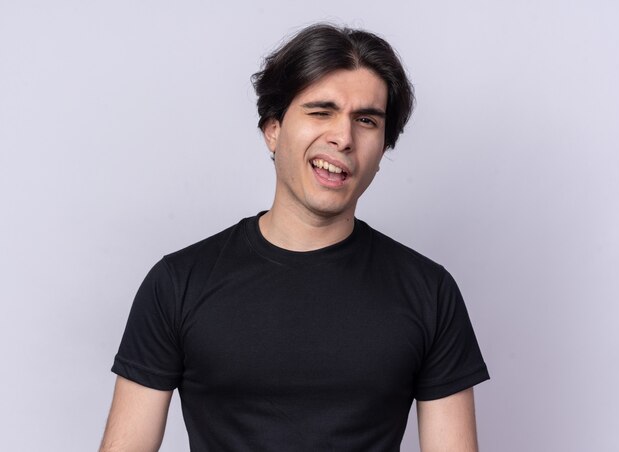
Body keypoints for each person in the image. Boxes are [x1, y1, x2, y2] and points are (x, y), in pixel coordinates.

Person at [100, 23, 489, 452]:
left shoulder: (429, 292)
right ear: (273, 127)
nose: (343, 138)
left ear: (383, 146)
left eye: (366, 120)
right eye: (320, 112)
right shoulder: (178, 282)